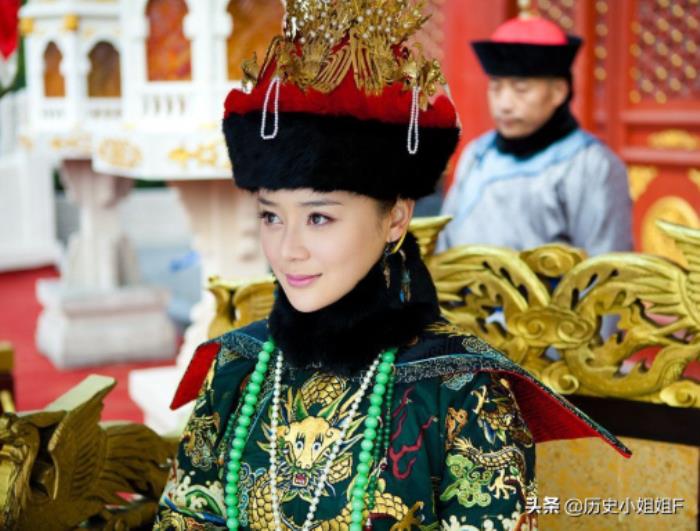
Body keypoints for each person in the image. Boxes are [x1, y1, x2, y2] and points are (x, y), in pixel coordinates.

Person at [154, 2, 630, 530]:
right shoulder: (237, 367)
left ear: (397, 219)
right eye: (270, 216)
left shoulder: (459, 390)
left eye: (318, 218)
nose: (288, 250)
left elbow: (605, 270)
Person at [438, 13, 633, 255]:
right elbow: (443, 243)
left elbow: (606, 265)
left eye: (521, 89)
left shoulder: (592, 164)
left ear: (559, 91)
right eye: (496, 87)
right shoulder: (477, 154)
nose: (504, 104)